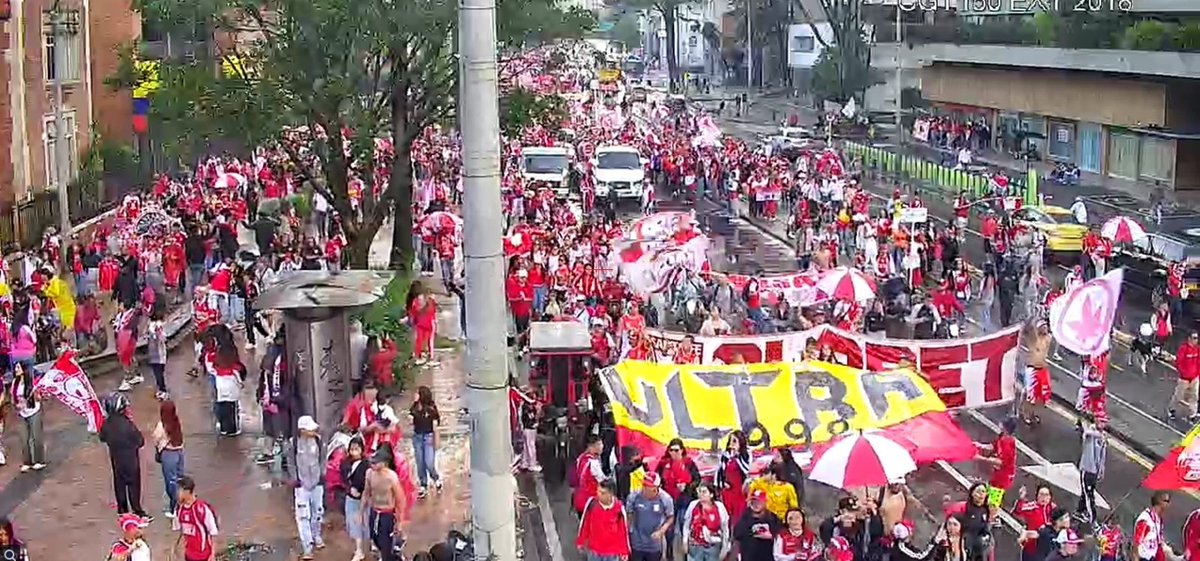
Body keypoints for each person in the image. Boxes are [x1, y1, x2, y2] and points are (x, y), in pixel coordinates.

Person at [99, 392, 151, 521]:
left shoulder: (107, 424)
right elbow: (140, 441)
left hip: (116, 460)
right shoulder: (128, 425)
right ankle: (137, 510)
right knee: (134, 486)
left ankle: (122, 510)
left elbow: (102, 437)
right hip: (131, 461)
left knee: (119, 484)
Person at [657, 437, 700, 561]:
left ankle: (687, 555)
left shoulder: (689, 463)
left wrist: (687, 487)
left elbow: (697, 479)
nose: (674, 453)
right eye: (671, 450)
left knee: (684, 528)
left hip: (684, 501)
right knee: (669, 530)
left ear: (682, 450)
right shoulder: (664, 463)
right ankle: (669, 554)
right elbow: (657, 479)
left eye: (676, 450)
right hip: (669, 502)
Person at [364, 446, 406, 561]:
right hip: (374, 511)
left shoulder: (391, 477)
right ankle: (392, 552)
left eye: (375, 463)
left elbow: (400, 499)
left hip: (387, 514)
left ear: (383, 463)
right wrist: (361, 511)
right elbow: (366, 493)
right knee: (375, 539)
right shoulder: (369, 474)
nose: (372, 465)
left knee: (386, 544)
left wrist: (400, 521)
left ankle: (392, 555)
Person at [293, 415, 325, 559]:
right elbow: (290, 462)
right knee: (303, 516)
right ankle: (307, 546)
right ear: (302, 430)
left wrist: (322, 475)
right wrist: (295, 479)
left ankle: (316, 535)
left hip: (317, 482)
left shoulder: (319, 441)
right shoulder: (293, 443)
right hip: (301, 485)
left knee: (317, 512)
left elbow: (323, 459)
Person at [974, 417, 1017, 521]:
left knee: (993, 500)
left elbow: (1001, 462)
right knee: (990, 493)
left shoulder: (1007, 443)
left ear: (1006, 428)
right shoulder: (1002, 437)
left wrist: (981, 458)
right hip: (998, 473)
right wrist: (980, 446)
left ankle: (992, 519)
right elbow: (993, 446)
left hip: (1004, 476)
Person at [575, 480, 630, 561]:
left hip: (612, 553)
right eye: (598, 491)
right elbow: (585, 524)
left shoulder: (619, 509)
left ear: (610, 494)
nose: (598, 494)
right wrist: (581, 541)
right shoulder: (592, 504)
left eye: (602, 493)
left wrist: (624, 551)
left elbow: (623, 532)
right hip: (594, 551)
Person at [626, 472, 674, 561]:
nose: (644, 488)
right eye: (643, 485)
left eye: (647, 486)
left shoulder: (665, 499)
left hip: (654, 545)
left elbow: (670, 517)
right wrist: (629, 532)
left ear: (655, 489)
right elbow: (629, 514)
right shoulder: (634, 496)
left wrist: (661, 531)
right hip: (637, 543)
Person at [172, 475, 220, 561]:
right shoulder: (179, 510)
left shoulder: (202, 509)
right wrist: (174, 549)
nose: (177, 493)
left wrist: (212, 554)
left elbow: (213, 532)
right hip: (189, 556)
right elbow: (177, 530)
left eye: (180, 490)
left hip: (204, 556)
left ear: (187, 491)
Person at [152, 400, 186, 518]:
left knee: (171, 482)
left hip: (168, 454)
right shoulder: (176, 423)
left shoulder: (162, 425)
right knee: (180, 479)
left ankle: (174, 508)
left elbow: (155, 438)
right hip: (179, 452)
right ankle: (183, 503)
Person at [340, 436, 371, 561]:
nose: (354, 452)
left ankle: (372, 544)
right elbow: (342, 479)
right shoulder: (345, 464)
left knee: (367, 522)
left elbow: (369, 482)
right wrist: (350, 489)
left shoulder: (366, 465)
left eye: (357, 449)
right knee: (354, 523)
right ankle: (359, 550)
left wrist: (362, 491)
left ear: (362, 450)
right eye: (352, 449)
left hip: (365, 498)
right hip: (351, 499)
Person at [409, 385, 443, 497]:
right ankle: (423, 484)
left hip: (428, 437)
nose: (415, 395)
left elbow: (435, 425)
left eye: (417, 393)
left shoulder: (431, 408)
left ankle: (435, 477)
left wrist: (436, 440)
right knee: (420, 463)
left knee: (429, 462)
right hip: (417, 437)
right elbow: (410, 420)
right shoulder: (414, 407)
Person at [10, 363, 44, 472]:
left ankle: (39, 460)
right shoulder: (15, 383)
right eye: (15, 367)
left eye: (18, 367)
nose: (16, 370)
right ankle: (27, 462)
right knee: (24, 438)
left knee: (35, 436)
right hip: (22, 413)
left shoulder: (31, 382)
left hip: (33, 410)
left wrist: (36, 394)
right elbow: (12, 398)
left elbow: (39, 398)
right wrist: (17, 405)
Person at [682, 483, 730, 561]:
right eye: (699, 492)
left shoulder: (719, 507)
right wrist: (685, 541)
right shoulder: (693, 505)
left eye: (704, 492)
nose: (701, 494)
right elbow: (686, 525)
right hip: (695, 546)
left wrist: (725, 548)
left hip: (713, 547)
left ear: (711, 494)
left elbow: (725, 529)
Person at [733, 490, 783, 561]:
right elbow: (737, 536)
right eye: (753, 502)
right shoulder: (745, 517)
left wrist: (771, 536)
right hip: (749, 557)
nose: (756, 504)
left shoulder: (773, 518)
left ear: (765, 502)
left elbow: (780, 537)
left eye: (759, 502)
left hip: (768, 557)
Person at [1075, 413, 1106, 525]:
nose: (1103, 424)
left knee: (1087, 492)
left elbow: (1102, 455)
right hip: (1087, 469)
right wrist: (1097, 434)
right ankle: (1093, 519)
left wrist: (1101, 470)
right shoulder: (1091, 433)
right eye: (1101, 421)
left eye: (1104, 422)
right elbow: (1086, 433)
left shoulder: (1103, 436)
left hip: (1095, 471)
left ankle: (1079, 511)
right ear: (1096, 420)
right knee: (1089, 495)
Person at [1014, 485, 1056, 561]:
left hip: (1047, 549)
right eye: (1041, 494)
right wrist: (1021, 499)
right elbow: (1017, 512)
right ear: (1037, 496)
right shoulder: (1032, 507)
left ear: (1050, 497)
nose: (1044, 498)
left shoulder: (1053, 509)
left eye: (1046, 495)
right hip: (1032, 549)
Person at [572, 436, 608, 515]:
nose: (601, 447)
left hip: (579, 498)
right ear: (592, 446)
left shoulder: (581, 458)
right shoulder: (593, 463)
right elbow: (602, 480)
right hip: (590, 502)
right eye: (599, 444)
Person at [1133, 492, 1174, 561]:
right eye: (1166, 501)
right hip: (1144, 558)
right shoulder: (1145, 519)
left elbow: (1159, 543)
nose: (1169, 504)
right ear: (1158, 501)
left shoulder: (1159, 519)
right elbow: (1136, 545)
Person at [1172, 332, 1200, 422]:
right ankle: (1172, 409)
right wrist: (1183, 374)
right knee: (1179, 396)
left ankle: (1192, 414)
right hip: (1184, 378)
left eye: (1196, 338)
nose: (1195, 340)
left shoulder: (1197, 349)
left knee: (1194, 396)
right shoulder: (1183, 349)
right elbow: (1179, 363)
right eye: (1194, 338)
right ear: (1189, 338)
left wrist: (1197, 374)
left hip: (1194, 377)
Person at [147, 309, 169, 400]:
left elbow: (161, 338)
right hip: (158, 353)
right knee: (159, 372)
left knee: (158, 373)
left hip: (157, 353)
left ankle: (163, 390)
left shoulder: (155, 326)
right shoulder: (155, 326)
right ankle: (161, 389)